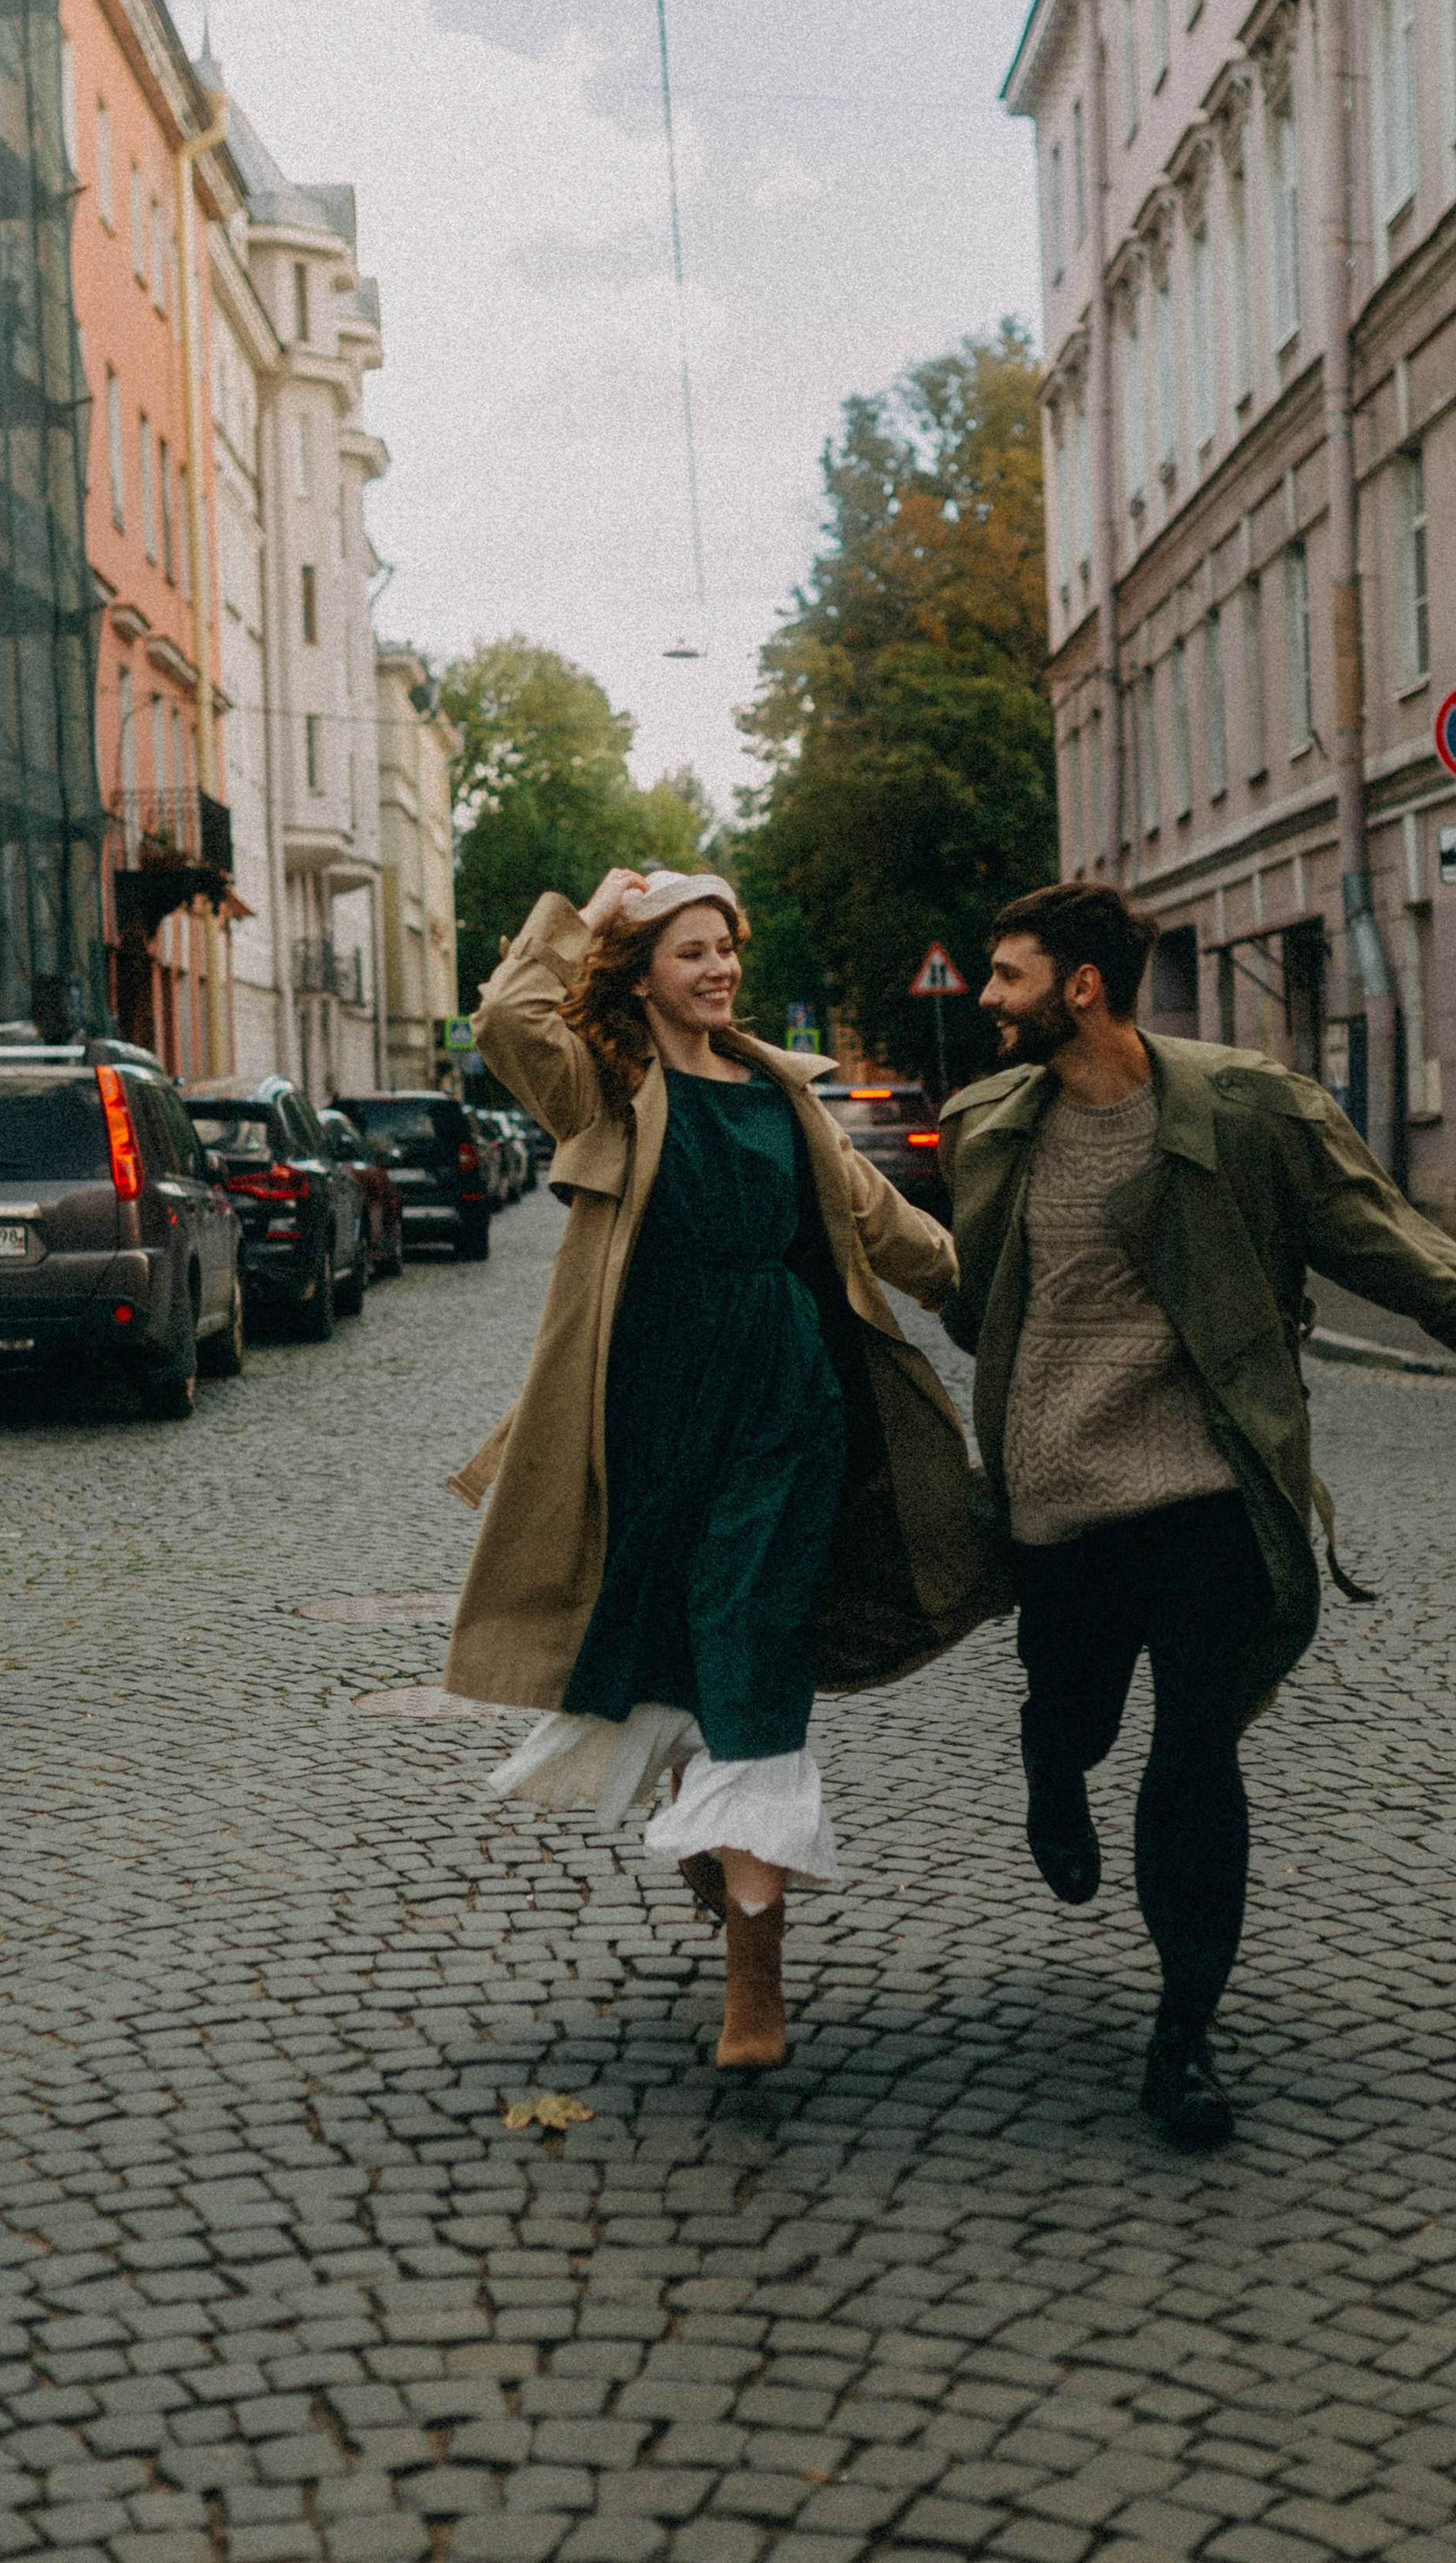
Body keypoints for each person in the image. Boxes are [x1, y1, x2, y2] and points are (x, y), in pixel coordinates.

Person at [938, 881, 1456, 2149]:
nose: (985, 998)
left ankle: (1184, 2030)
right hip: (1062, 1490)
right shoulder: (989, 1125)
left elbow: (1372, 1231)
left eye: (1006, 975)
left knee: (1194, 1751)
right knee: (1078, 1707)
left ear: (1080, 986)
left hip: (1209, 1489)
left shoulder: (1247, 1109)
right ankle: (1049, 1758)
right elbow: (965, 1294)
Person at [440, 868, 1004, 2070]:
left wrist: (994, 1291)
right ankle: (714, 1837)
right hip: (647, 1420)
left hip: (786, 1415)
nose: (718, 970)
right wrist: (587, 913)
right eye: (691, 952)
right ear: (642, 971)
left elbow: (883, 1222)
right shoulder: (609, 1088)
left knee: (750, 1656)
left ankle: (758, 1991)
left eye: (726, 951)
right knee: (665, 1648)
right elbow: (503, 1021)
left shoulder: (779, 1095)